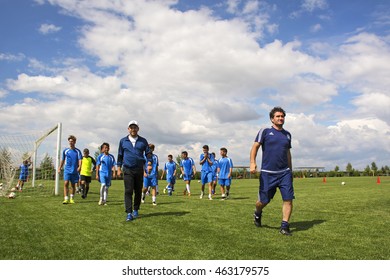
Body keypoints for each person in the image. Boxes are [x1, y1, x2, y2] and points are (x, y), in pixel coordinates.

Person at [250, 106, 294, 236]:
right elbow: (255, 147)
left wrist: (290, 171)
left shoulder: (287, 134)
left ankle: (284, 226)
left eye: (282, 116)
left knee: (288, 199)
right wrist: (253, 163)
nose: (281, 118)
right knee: (263, 201)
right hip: (268, 173)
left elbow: (288, 153)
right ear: (272, 119)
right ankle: (258, 212)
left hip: (284, 172)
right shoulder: (264, 131)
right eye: (278, 116)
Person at [117, 120, 152, 222]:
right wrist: (118, 168)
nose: (133, 129)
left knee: (138, 191)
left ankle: (136, 209)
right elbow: (120, 155)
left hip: (139, 169)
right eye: (131, 127)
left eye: (135, 127)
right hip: (127, 169)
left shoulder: (143, 141)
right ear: (128, 129)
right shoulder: (123, 141)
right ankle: (129, 212)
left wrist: (149, 163)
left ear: (138, 129)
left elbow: (148, 153)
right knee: (128, 191)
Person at [58, 135, 82, 204]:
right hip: (67, 169)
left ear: (75, 142)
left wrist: (79, 166)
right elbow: (63, 160)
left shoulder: (78, 151)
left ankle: (71, 198)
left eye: (72, 141)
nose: (70, 142)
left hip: (74, 170)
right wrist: (59, 168)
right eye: (70, 141)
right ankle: (66, 198)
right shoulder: (66, 151)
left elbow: (80, 159)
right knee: (66, 183)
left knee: (73, 184)